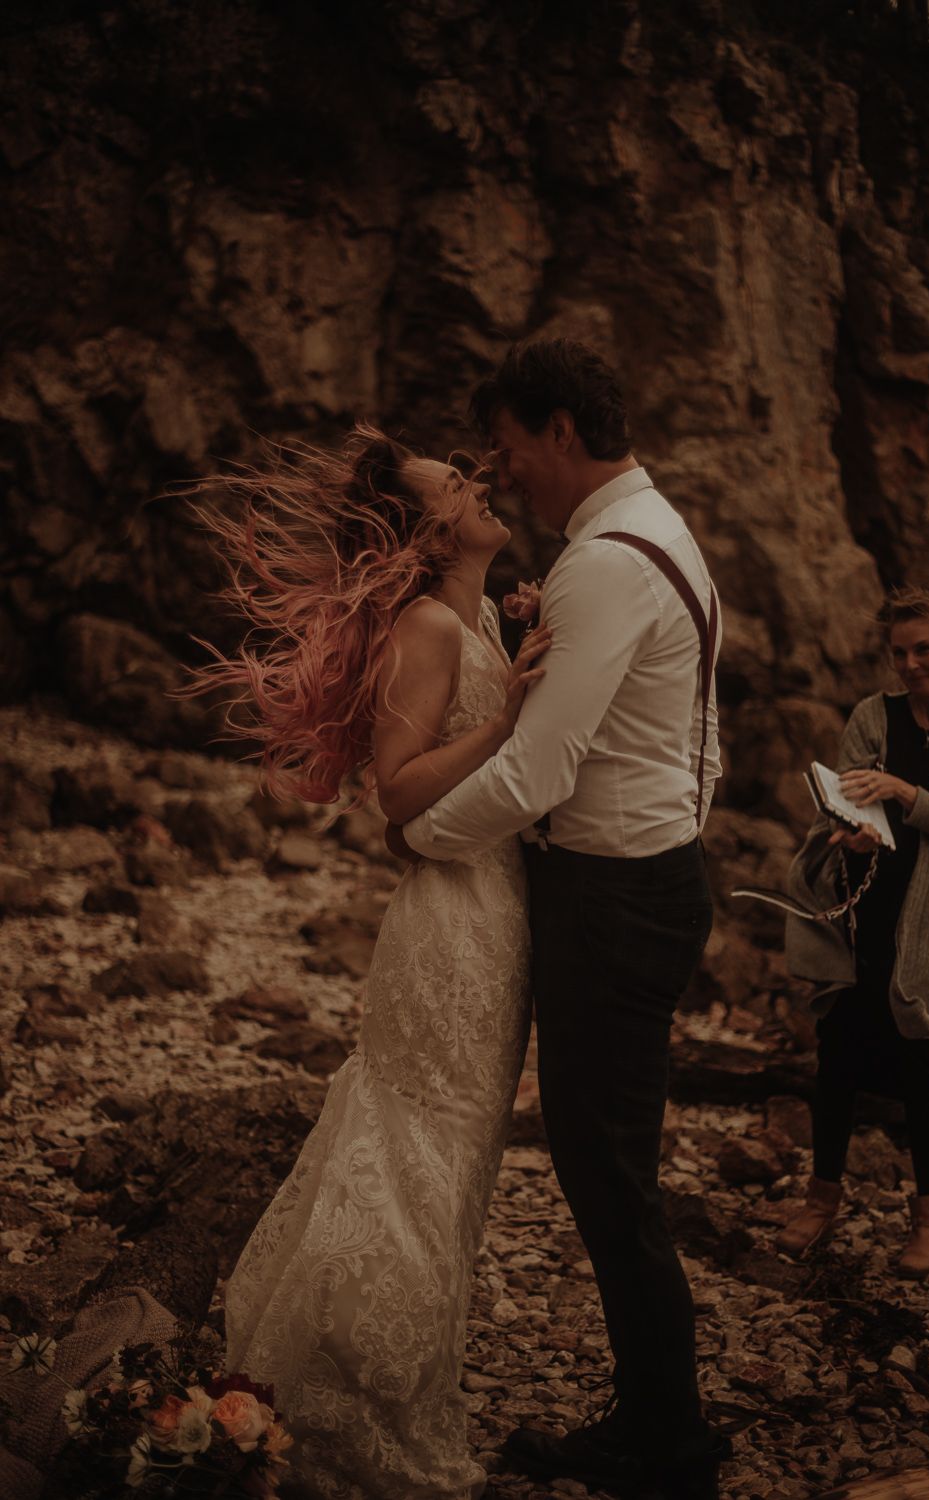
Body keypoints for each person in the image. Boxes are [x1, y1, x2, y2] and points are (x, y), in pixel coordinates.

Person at [189, 426, 550, 1500]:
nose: (478, 486)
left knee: (455, 1159)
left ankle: (396, 1380)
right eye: (455, 486)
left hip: (494, 915)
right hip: (448, 930)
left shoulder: (481, 617)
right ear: (427, 533)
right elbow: (397, 790)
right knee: (414, 1152)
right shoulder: (428, 624)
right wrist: (512, 716)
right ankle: (357, 1400)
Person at [398, 339, 731, 1500]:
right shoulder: (658, 535)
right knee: (609, 1168)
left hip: (613, 902)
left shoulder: (605, 564)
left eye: (506, 445)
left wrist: (419, 836)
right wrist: (674, 824)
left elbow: (538, 773)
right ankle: (655, 1417)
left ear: (559, 431)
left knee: (608, 1177)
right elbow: (698, 736)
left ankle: (667, 1443)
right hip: (648, 878)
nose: (499, 469)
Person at [781, 586, 929, 1276]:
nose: (909, 665)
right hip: (858, 918)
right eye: (898, 653)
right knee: (836, 1064)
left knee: (919, 1073)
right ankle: (821, 1200)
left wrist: (904, 793)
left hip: (924, 926)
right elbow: (841, 808)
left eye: (923, 649)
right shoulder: (872, 715)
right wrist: (851, 834)